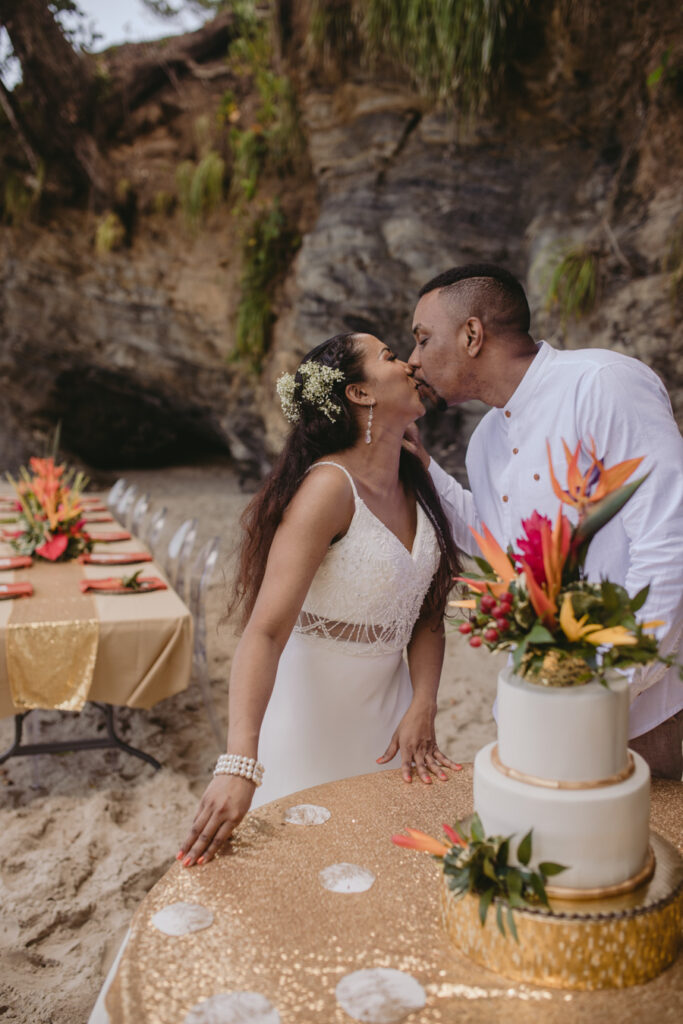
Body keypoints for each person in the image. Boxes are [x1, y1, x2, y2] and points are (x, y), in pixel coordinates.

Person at [178, 331, 462, 868]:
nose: (408, 364)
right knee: (306, 877)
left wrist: (423, 703)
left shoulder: (415, 479)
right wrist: (240, 761)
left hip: (392, 722)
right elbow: (263, 633)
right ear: (360, 394)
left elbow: (427, 613)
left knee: (382, 871)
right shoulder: (328, 491)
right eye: (389, 356)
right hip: (310, 723)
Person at [407, 263, 683, 779]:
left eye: (423, 340)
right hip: (531, 705)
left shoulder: (601, 384)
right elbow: (498, 545)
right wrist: (425, 470)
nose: (413, 359)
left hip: (642, 713)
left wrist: (611, 680)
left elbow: (668, 536)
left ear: (472, 334)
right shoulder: (487, 438)